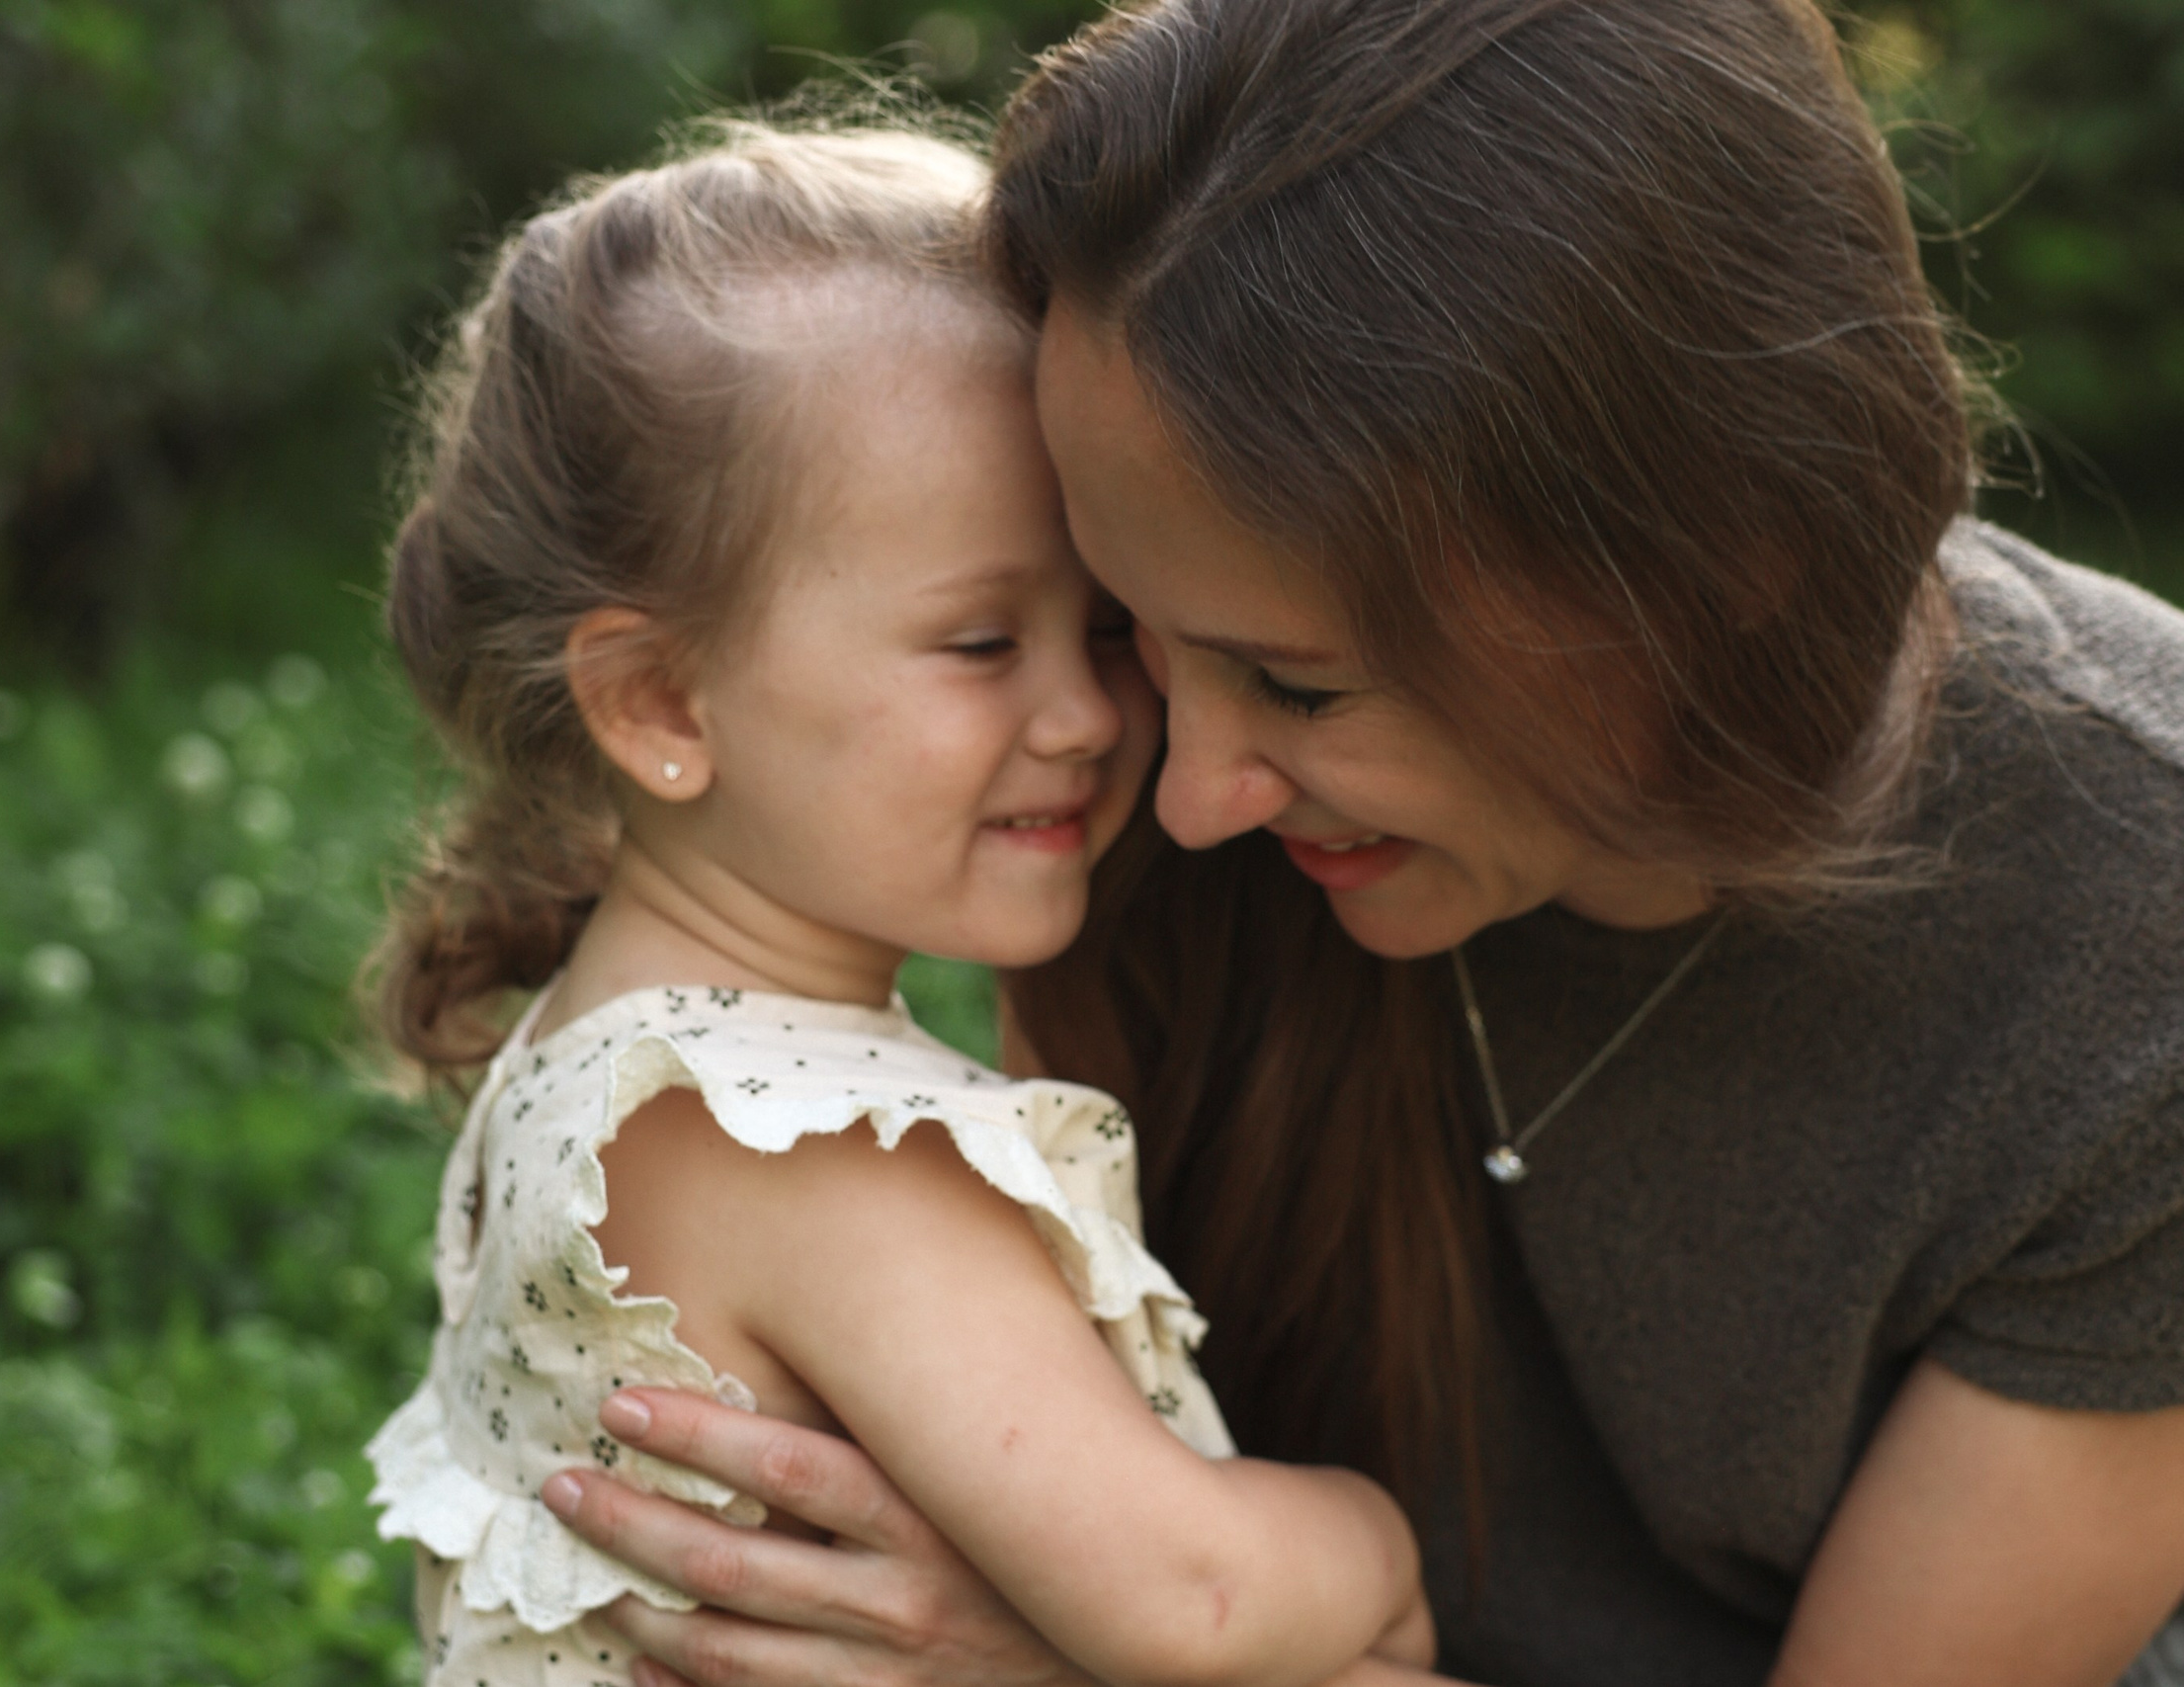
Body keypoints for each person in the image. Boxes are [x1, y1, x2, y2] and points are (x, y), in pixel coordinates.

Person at [522, 4, 2184, 1685]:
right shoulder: (1137, 727)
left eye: (1302, 686)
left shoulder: (2139, 930)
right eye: (1130, 624)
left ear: (1705, 575)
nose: (1175, 797)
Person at [360, 122, 1438, 1687]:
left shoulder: (601, 1061)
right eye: (983, 643)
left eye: (1107, 625)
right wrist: (1380, 1548)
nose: (1084, 714)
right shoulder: (793, 1147)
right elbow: (1193, 1604)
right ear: (661, 701)